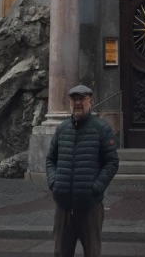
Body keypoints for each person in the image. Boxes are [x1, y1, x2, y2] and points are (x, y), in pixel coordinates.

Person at [46, 84, 119, 257]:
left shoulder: (101, 129)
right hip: (63, 207)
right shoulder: (62, 129)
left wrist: (96, 188)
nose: (77, 103)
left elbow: (111, 162)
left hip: (89, 208)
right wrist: (54, 183)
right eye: (74, 99)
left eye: (82, 99)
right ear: (70, 102)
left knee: (92, 253)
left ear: (90, 102)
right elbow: (50, 160)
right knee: (61, 252)